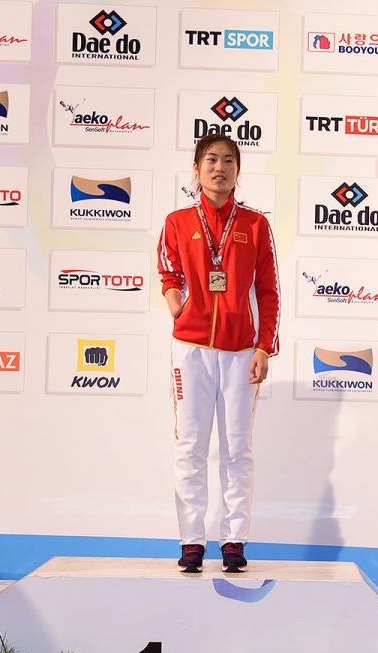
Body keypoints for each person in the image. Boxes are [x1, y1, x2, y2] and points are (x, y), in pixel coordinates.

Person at [157, 134, 280, 574]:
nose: (219, 167)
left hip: (240, 351)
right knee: (190, 445)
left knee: (237, 448)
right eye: (211, 160)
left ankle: (233, 540)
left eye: (229, 160)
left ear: (238, 171)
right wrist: (175, 298)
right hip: (190, 349)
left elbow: (269, 291)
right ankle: (192, 541)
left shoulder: (255, 225)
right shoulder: (177, 222)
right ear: (196, 168)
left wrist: (265, 345)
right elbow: (167, 269)